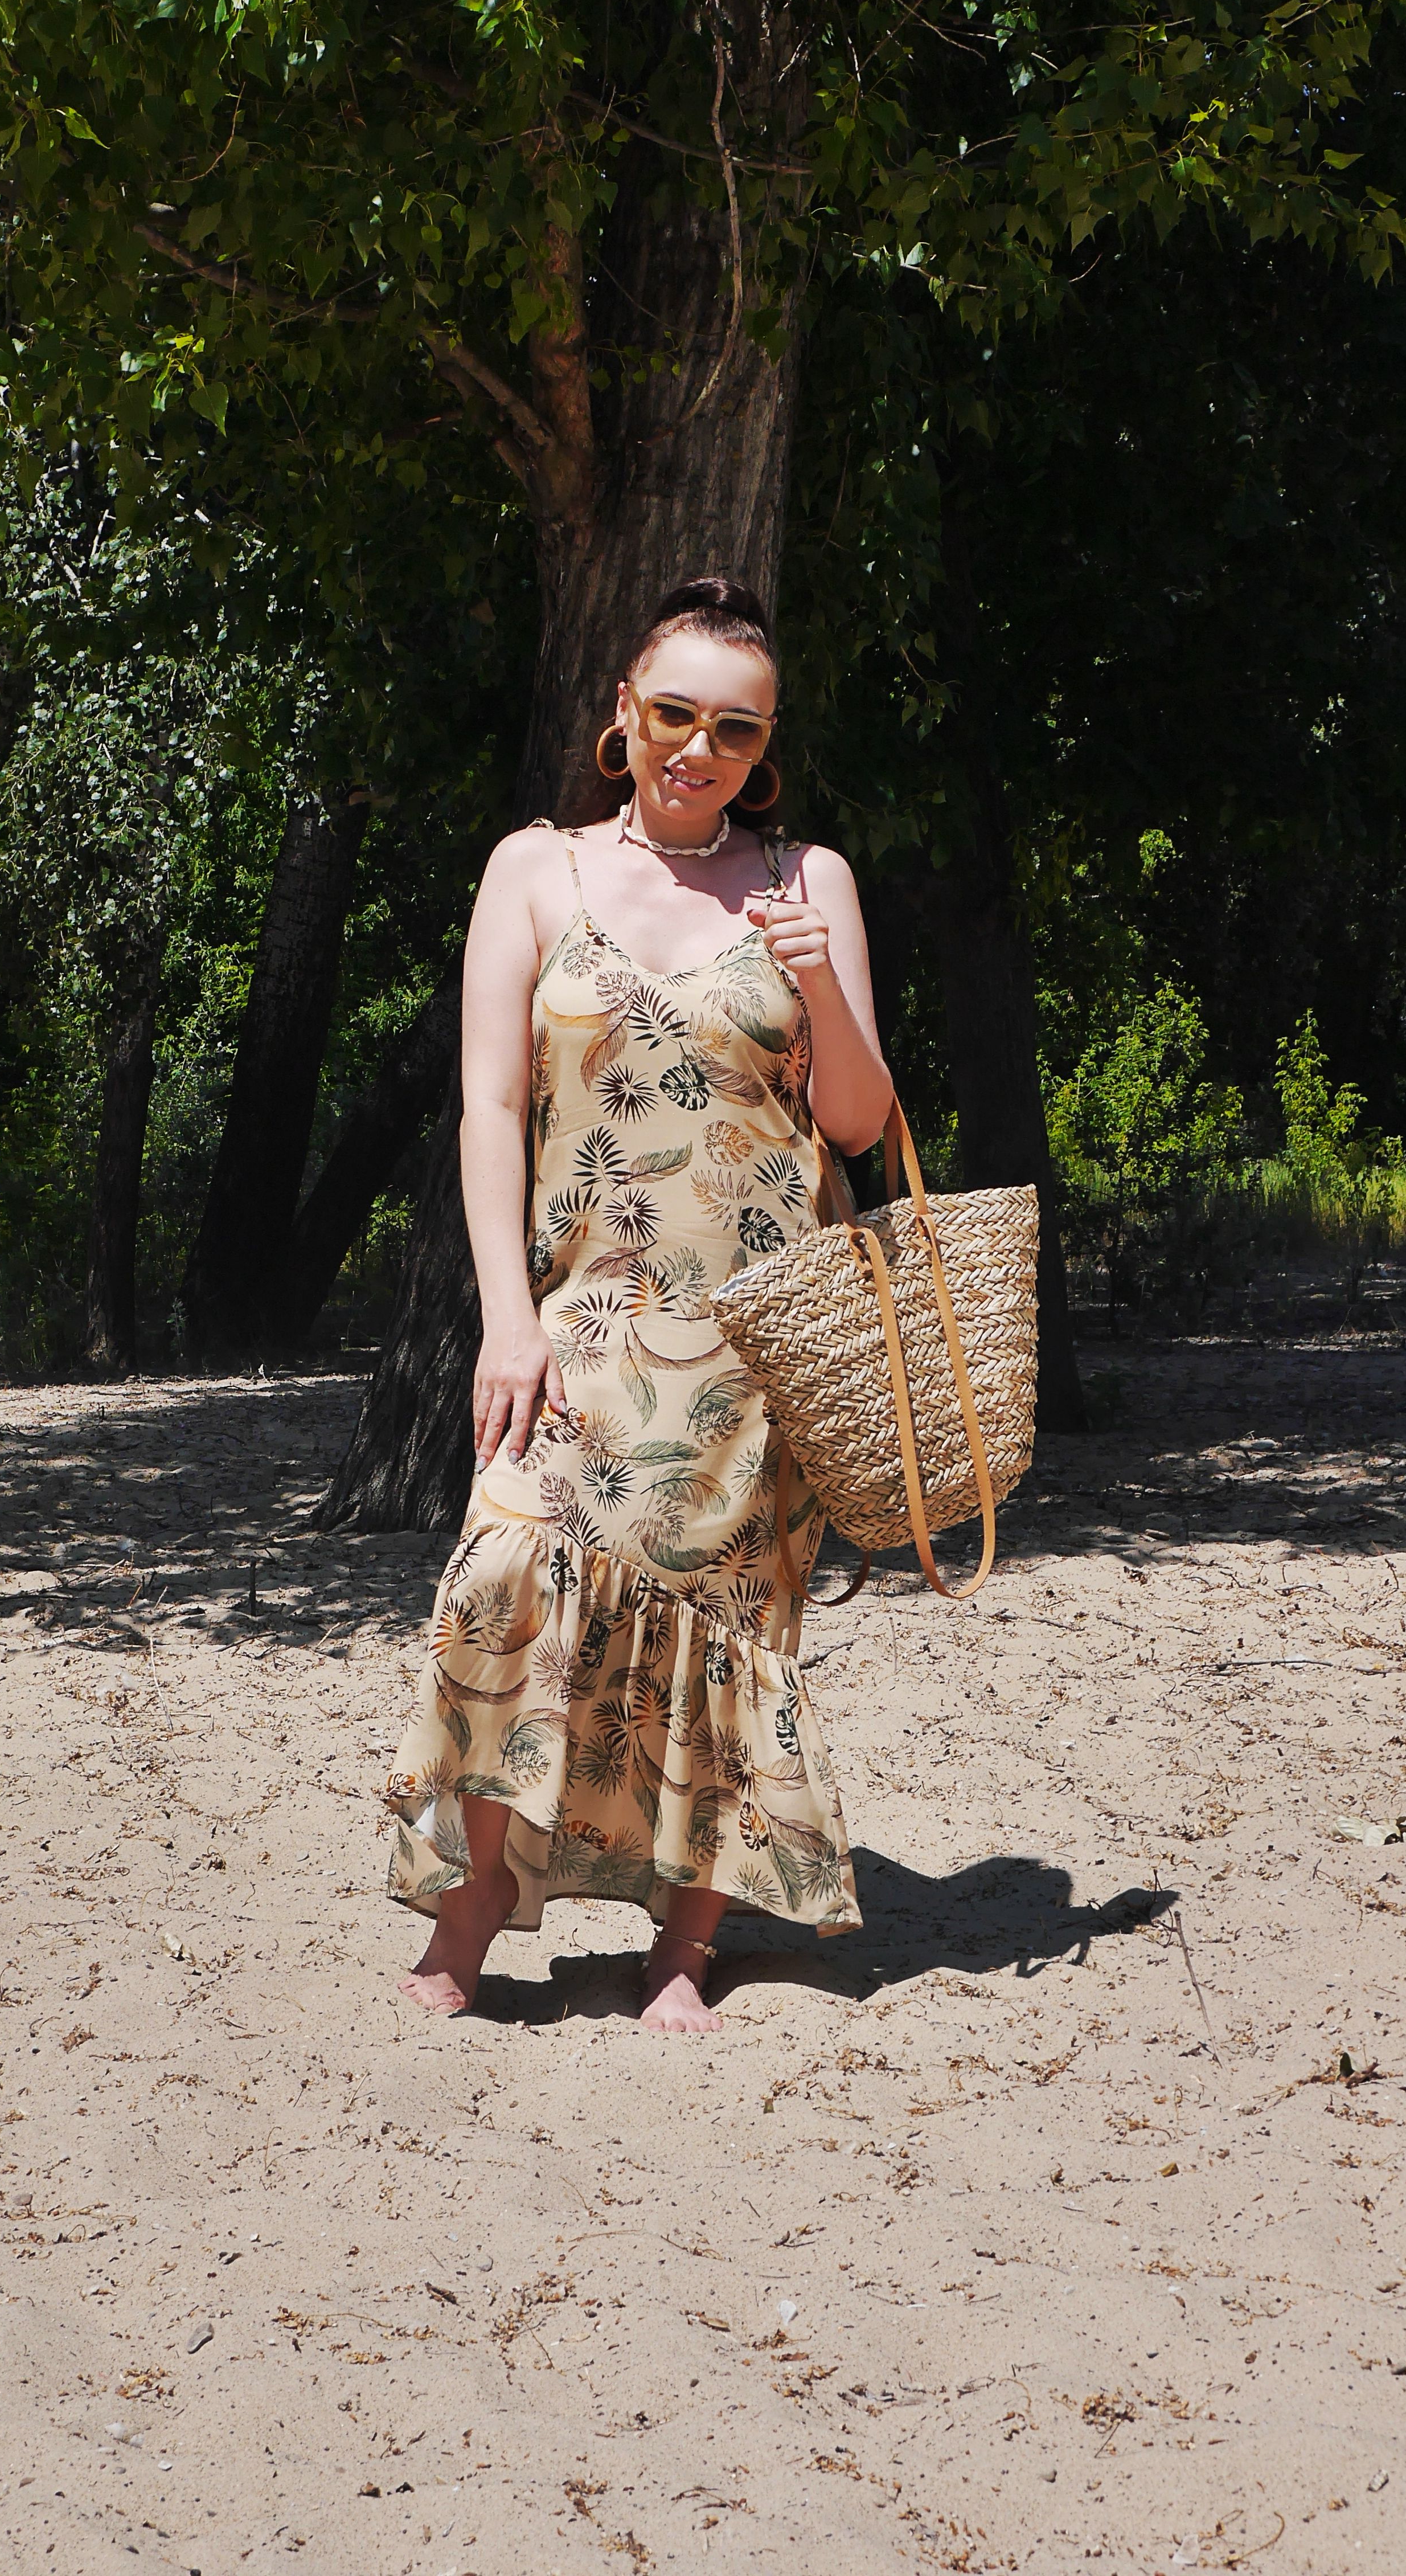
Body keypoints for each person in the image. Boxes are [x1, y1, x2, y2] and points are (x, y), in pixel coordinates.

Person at [384, 576, 893, 2029]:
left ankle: (684, 1945)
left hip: (756, 1337)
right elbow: (491, 1108)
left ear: (765, 744)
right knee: (505, 1577)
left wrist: (821, 990)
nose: (699, 748)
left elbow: (857, 1123)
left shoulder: (807, 881)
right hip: (582, 1318)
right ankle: (473, 1909)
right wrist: (505, 1315)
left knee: (729, 1631)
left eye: (736, 728)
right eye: (674, 713)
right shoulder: (532, 871)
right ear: (622, 711)